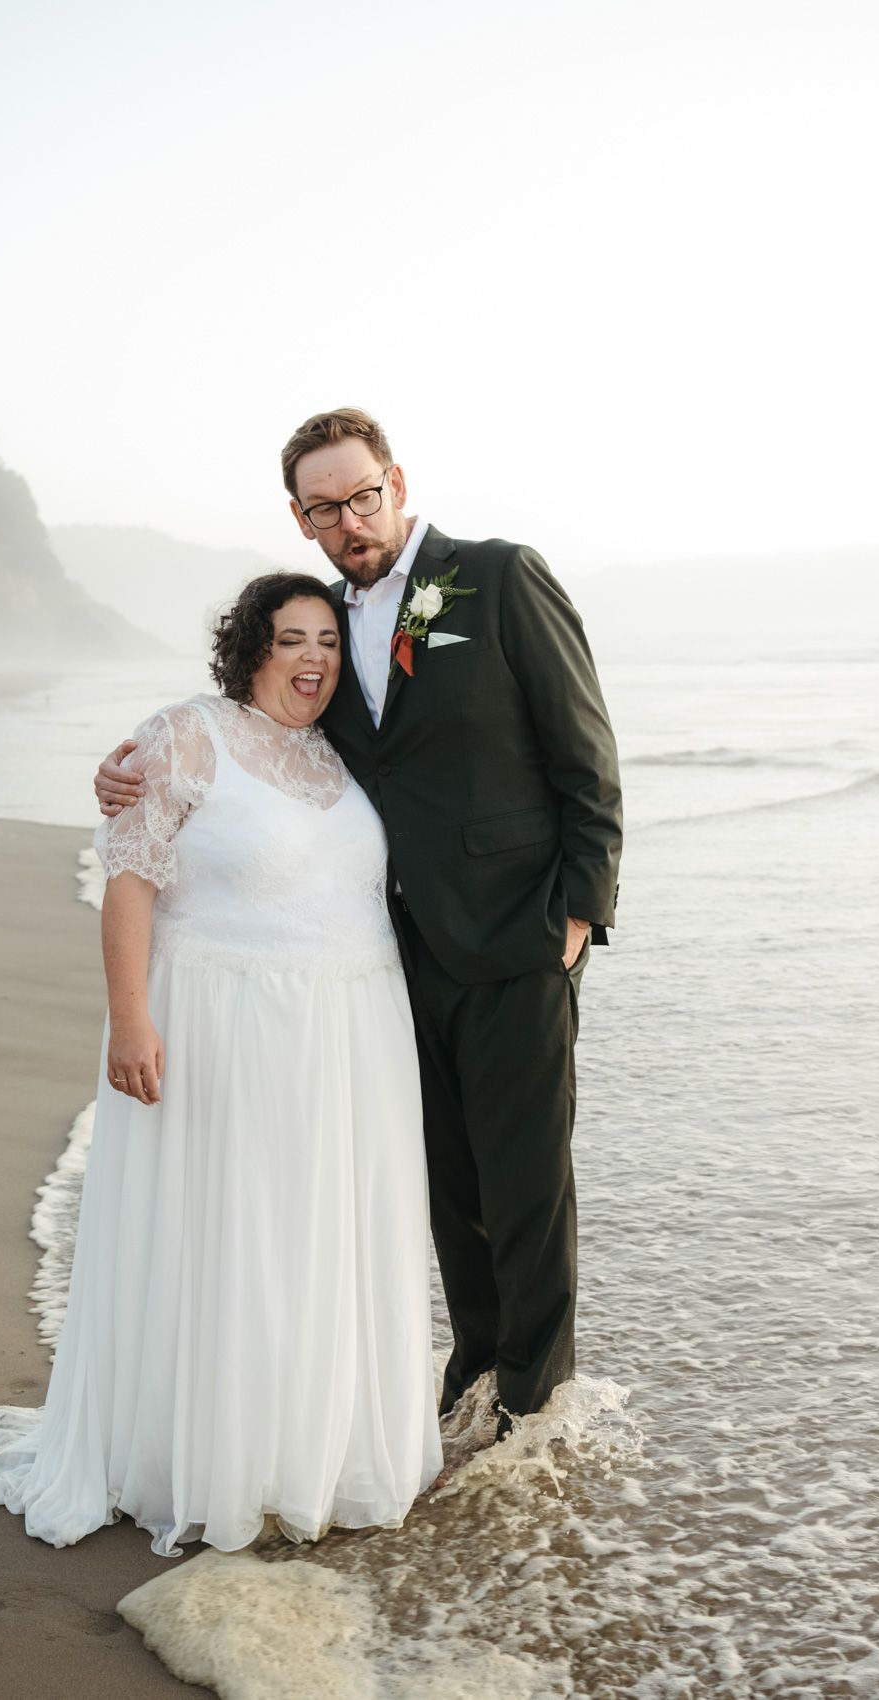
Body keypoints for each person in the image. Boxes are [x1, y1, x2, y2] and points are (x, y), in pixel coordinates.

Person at [96, 409, 623, 1432]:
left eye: (363, 495)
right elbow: (264, 735)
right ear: (300, 518)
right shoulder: (322, 628)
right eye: (325, 506)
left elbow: (585, 761)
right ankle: (473, 1368)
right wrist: (129, 766)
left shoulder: (499, 577)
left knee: (525, 1183)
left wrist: (575, 919)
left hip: (516, 938)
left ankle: (536, 1404)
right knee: (446, 1184)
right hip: (388, 954)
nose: (350, 520)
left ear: (397, 482)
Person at [0, 574, 443, 1554]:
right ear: (249, 646)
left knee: (315, 1236)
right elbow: (131, 876)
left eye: (329, 640)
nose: (312, 657)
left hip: (349, 1033)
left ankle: (312, 1446)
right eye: (290, 637)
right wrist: (130, 1017)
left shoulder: (342, 754)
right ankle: (204, 1456)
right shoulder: (184, 733)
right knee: (228, 1232)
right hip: (221, 1022)